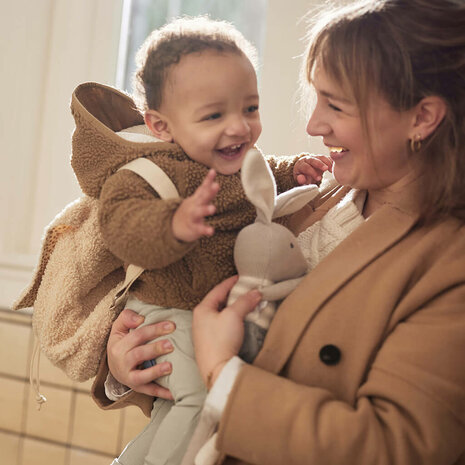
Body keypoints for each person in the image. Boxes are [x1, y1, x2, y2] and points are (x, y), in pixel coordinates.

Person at [93, 0, 465, 464]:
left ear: (422, 118)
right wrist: (133, 358)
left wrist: (220, 371)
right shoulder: (308, 197)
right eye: (317, 98)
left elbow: (392, 447)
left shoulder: (449, 262)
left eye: (337, 105)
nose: (314, 125)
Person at [74, 16, 329, 465]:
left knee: (178, 408)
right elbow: (121, 224)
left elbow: (262, 171)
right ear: (161, 126)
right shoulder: (150, 173)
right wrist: (172, 225)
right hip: (170, 309)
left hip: (204, 315)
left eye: (250, 108)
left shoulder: (230, 162)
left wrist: (294, 170)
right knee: (198, 402)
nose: (239, 127)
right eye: (214, 115)